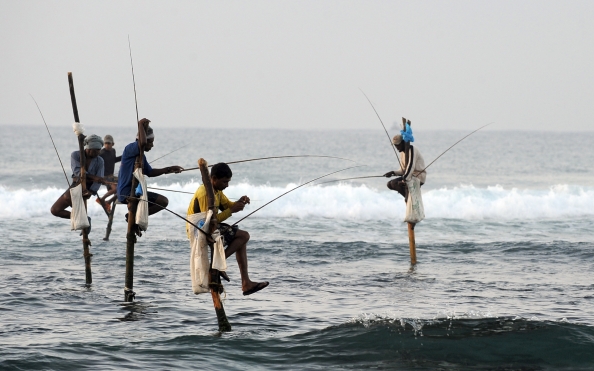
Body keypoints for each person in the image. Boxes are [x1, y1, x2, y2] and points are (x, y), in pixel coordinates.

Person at [187, 162, 269, 296]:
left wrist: (239, 202)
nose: (227, 185)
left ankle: (245, 282)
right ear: (213, 179)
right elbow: (207, 223)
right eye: (225, 182)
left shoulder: (217, 191)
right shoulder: (205, 194)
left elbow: (227, 206)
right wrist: (231, 210)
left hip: (209, 227)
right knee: (244, 236)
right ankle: (218, 266)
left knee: (241, 239)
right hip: (199, 231)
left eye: (228, 182)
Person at [117, 118, 183, 235]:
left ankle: (134, 220)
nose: (152, 145)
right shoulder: (130, 148)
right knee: (163, 201)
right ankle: (133, 219)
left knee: (162, 202)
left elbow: (150, 172)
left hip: (135, 192)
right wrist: (140, 125)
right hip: (126, 192)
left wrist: (169, 169)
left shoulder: (142, 156)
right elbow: (141, 143)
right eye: (150, 142)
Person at [50, 134, 105, 233]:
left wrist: (91, 191)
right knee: (55, 210)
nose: (98, 152)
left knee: (68, 197)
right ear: (88, 148)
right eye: (95, 150)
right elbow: (78, 173)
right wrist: (93, 177)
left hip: (88, 188)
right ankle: (83, 218)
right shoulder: (76, 155)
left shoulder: (100, 161)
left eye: (99, 150)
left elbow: (99, 179)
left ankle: (82, 218)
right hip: (76, 184)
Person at [384, 133, 427, 200]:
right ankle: (409, 197)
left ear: (403, 142)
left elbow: (411, 167)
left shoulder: (412, 149)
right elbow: (403, 170)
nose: (397, 147)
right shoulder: (402, 153)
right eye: (395, 145)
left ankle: (410, 199)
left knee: (394, 183)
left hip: (418, 176)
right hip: (409, 176)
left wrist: (404, 179)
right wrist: (393, 172)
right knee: (389, 184)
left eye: (398, 145)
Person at [96, 134, 121, 212]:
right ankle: (102, 199)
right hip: (104, 177)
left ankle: (108, 203)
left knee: (122, 187)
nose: (107, 145)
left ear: (112, 144)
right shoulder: (101, 153)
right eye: (106, 143)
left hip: (111, 176)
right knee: (116, 188)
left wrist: (124, 157)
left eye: (109, 143)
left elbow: (114, 160)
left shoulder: (113, 151)